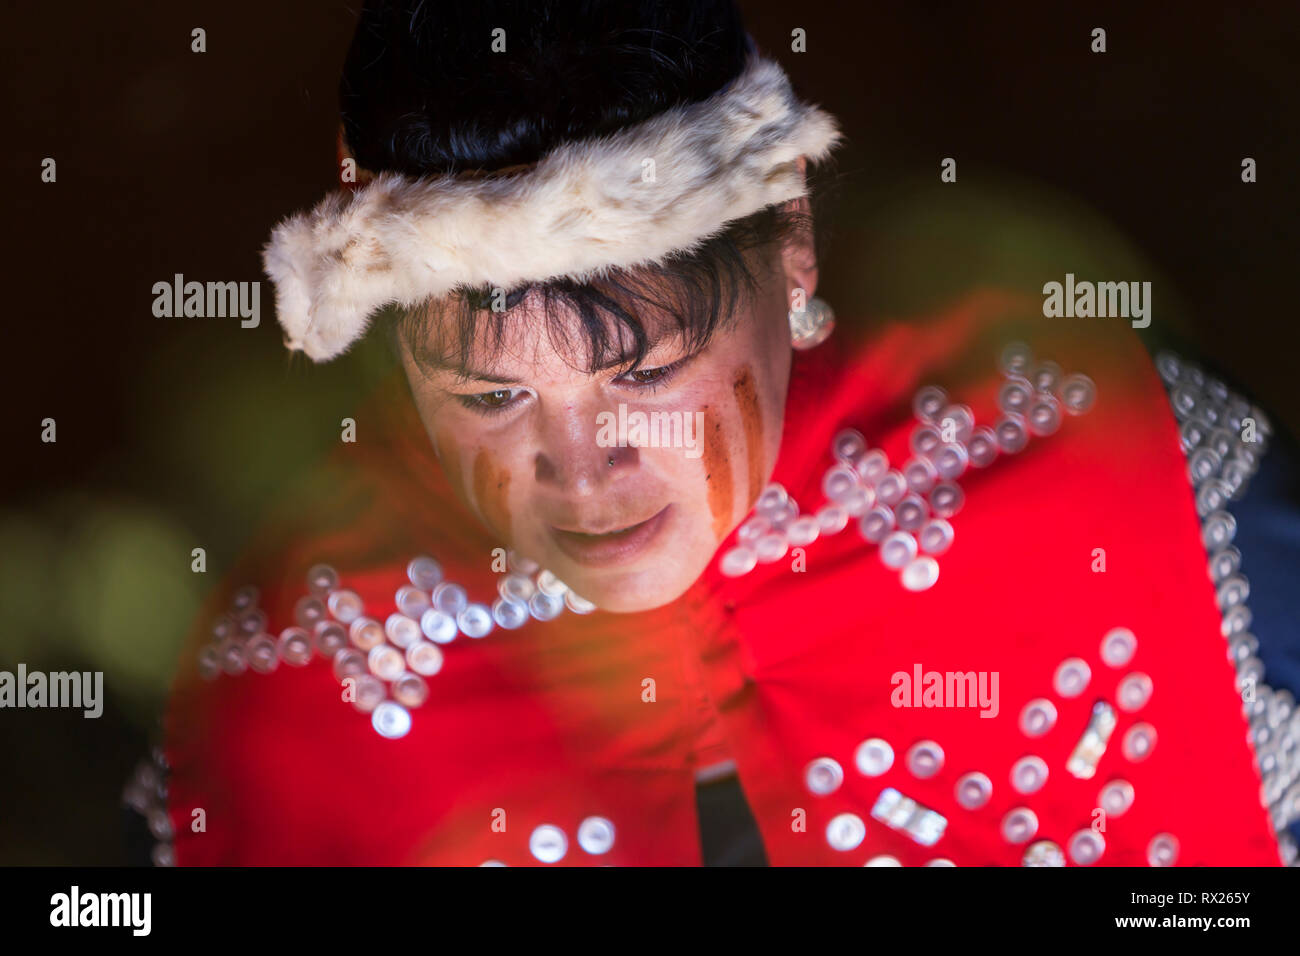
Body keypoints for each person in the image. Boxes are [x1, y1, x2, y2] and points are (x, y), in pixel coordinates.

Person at [124, 0, 1298, 866]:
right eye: (491, 399)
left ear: (788, 237)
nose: (581, 472)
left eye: (643, 371)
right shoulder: (310, 656)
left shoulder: (1104, 482)